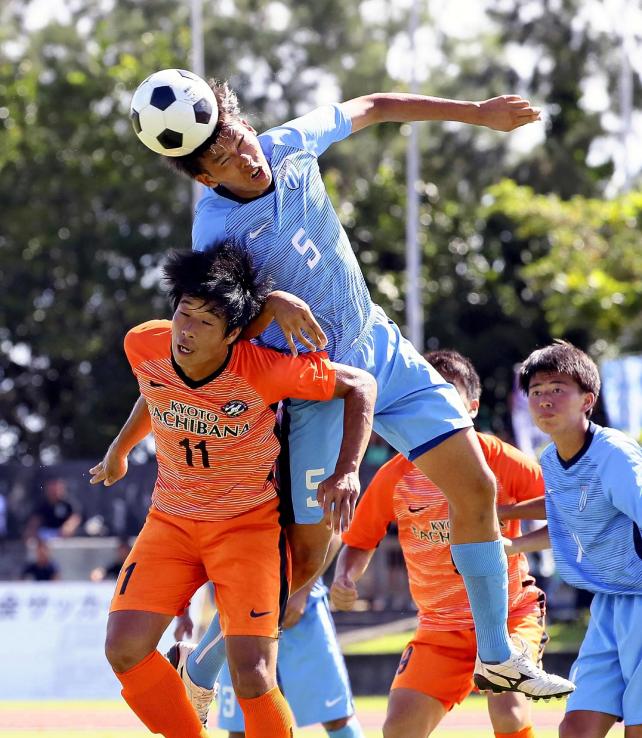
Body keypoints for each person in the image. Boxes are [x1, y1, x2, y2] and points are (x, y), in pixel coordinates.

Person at [126, 71, 572, 700]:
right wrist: (270, 305)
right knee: (304, 569)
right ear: (204, 176)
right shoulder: (215, 230)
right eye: (223, 158)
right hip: (321, 389)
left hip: (382, 351)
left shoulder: (288, 143)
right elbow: (218, 327)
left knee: (477, 487)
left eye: (239, 136)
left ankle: (497, 656)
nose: (244, 157)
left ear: (245, 123)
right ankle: (197, 674)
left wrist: (478, 112)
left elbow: (376, 104)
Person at [89, 245, 376, 738]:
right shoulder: (144, 343)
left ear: (232, 335)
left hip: (247, 529)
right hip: (171, 523)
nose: (186, 330)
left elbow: (361, 385)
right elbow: (154, 389)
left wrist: (348, 469)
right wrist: (118, 449)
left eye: (205, 322)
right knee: (124, 649)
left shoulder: (264, 369)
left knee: (254, 675)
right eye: (183, 313)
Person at [331, 349, 573, 738]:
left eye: (447, 393)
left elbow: (562, 503)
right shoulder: (395, 473)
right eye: (425, 394)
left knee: (506, 704)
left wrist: (507, 524)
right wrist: (345, 577)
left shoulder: (497, 456)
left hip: (510, 613)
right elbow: (360, 540)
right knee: (398, 727)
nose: (435, 403)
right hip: (439, 629)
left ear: (472, 406)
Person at [507, 341, 642, 738]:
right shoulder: (550, 459)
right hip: (609, 605)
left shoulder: (614, 455)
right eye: (535, 391)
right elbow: (568, 517)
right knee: (576, 729)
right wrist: (508, 536)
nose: (544, 399)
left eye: (556, 388)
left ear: (588, 400)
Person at [215, 537, 365, 738]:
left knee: (337, 716)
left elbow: (333, 532)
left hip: (302, 610)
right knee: (242, 726)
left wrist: (302, 591)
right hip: (240, 607)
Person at [24, 477, 81, 541]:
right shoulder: (41, 504)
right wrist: (32, 534)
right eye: (52, 488)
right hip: (45, 537)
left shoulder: (69, 503)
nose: (54, 491)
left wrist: (67, 528)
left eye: (57, 487)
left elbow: (75, 518)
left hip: (64, 538)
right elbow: (34, 522)